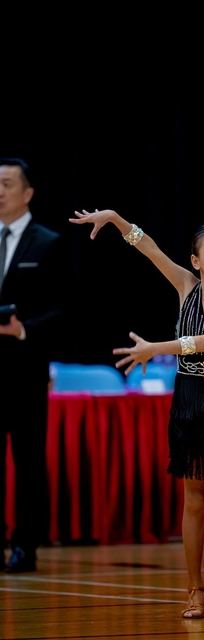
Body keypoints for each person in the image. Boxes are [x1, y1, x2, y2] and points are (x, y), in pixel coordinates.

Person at [69, 208, 204, 618]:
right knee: (195, 498)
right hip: (190, 401)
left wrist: (154, 349)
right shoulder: (185, 285)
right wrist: (116, 219)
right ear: (196, 260)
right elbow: (150, 249)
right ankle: (195, 589)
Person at [0, 157, 65, 572]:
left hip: (24, 370)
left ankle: (26, 545)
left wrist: (24, 329)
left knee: (27, 462)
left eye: (6, 184)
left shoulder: (47, 243)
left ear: (27, 193)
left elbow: (64, 309)